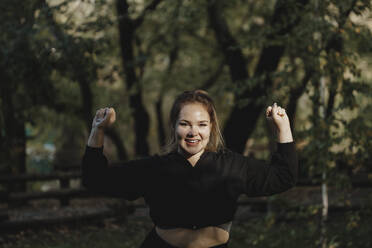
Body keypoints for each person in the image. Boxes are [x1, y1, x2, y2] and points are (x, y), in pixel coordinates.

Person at [81, 90, 298, 248]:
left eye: (202, 124)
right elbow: (95, 179)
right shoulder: (154, 168)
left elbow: (283, 177)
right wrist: (97, 130)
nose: (193, 132)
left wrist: (283, 128)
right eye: (185, 124)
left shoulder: (232, 166)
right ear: (174, 126)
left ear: (211, 127)